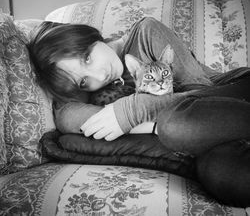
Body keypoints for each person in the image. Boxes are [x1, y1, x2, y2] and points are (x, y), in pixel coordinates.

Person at [28, 17, 250, 207]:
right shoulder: (101, 91)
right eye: (84, 81)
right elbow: (67, 116)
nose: (100, 73)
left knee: (176, 126)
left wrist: (134, 111)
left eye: (87, 57)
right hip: (217, 139)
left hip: (236, 91)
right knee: (225, 177)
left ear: (91, 36)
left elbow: (201, 99)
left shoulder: (144, 34)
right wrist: (152, 126)